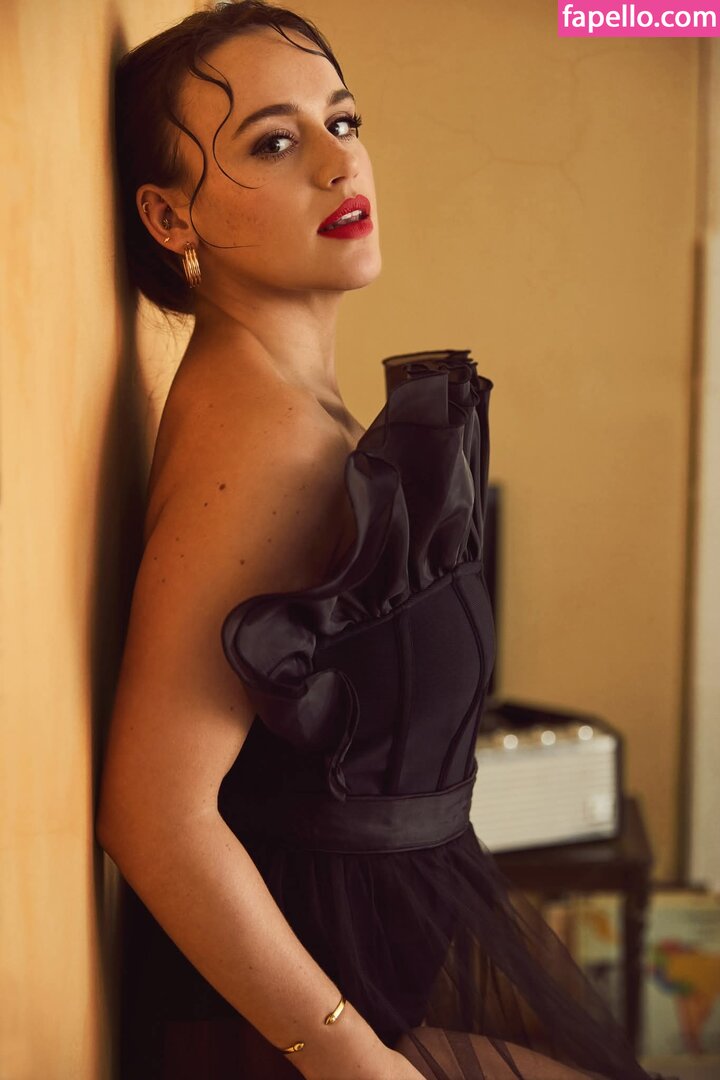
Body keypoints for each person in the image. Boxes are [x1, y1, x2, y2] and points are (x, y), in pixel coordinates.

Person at [97, 3, 676, 1078]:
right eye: (274, 142)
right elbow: (153, 813)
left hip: (364, 994)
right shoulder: (264, 440)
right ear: (171, 217)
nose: (338, 162)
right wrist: (351, 1061)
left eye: (342, 120)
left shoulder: (284, 405)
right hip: (300, 1034)